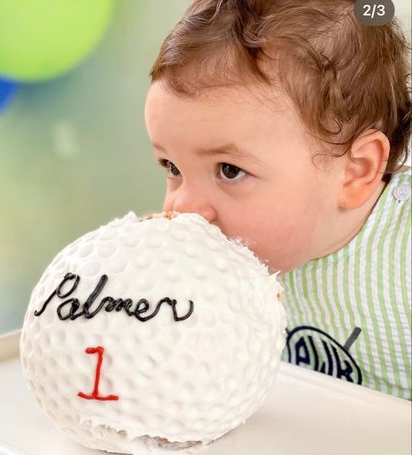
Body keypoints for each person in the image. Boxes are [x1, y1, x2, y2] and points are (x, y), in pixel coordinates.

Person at [144, 0, 411, 399]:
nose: (182, 209)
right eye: (172, 167)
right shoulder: (225, 260)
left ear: (354, 171)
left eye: (229, 170)